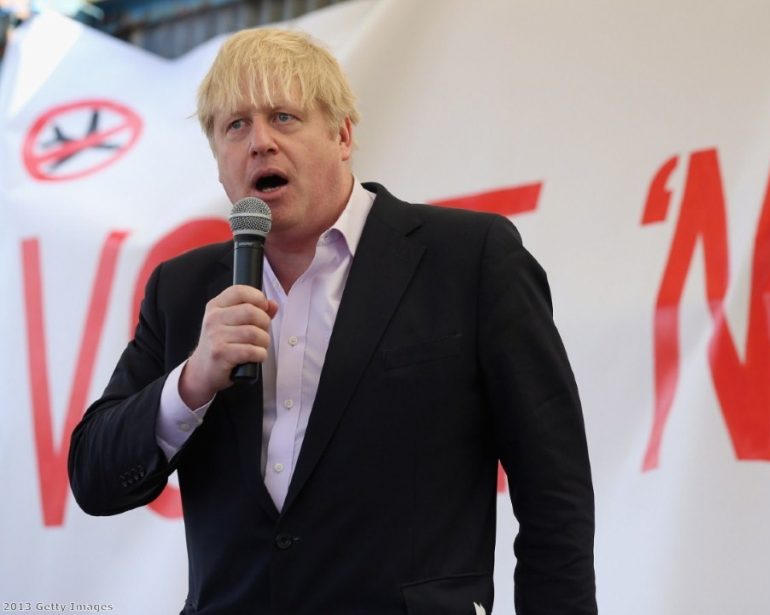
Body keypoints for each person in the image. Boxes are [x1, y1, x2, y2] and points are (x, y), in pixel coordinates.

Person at [68, 27, 596, 615]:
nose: (260, 143)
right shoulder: (183, 290)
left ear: (342, 135)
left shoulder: (468, 258)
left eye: (284, 117)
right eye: (235, 126)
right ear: (218, 160)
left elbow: (554, 490)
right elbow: (94, 477)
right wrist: (190, 381)